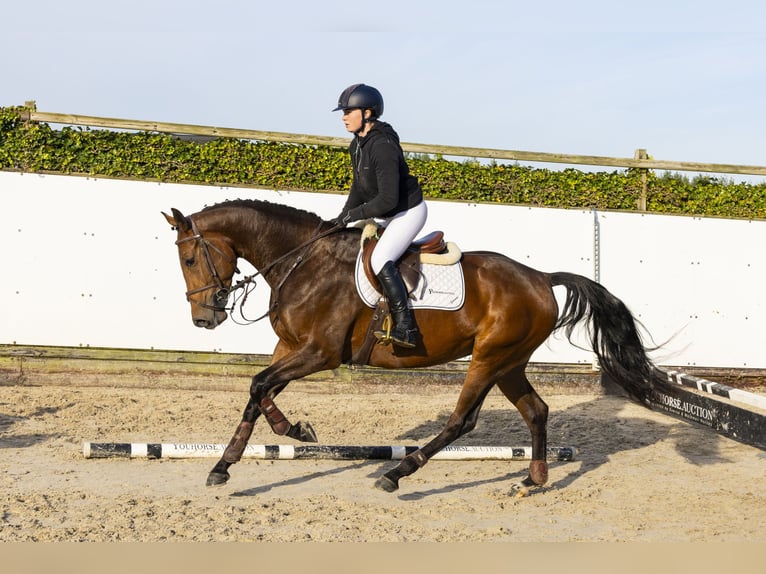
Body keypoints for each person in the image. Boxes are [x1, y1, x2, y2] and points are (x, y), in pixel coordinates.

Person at [330, 83, 427, 348]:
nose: (343, 116)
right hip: (386, 213)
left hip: (407, 212)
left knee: (381, 258)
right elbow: (359, 187)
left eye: (349, 111)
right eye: (344, 111)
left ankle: (406, 328)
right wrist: (341, 217)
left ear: (368, 112)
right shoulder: (358, 144)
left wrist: (354, 214)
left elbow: (387, 199)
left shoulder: (382, 146)